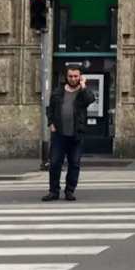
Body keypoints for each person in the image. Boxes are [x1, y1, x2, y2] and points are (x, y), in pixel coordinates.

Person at [42, 65, 96, 202]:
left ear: (80, 76)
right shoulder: (58, 92)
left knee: (74, 164)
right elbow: (50, 110)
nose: (73, 79)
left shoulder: (83, 93)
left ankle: (69, 191)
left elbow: (90, 99)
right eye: (70, 76)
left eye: (76, 76)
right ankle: (53, 191)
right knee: (54, 163)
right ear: (66, 77)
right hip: (59, 134)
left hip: (76, 135)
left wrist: (83, 85)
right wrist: (51, 124)